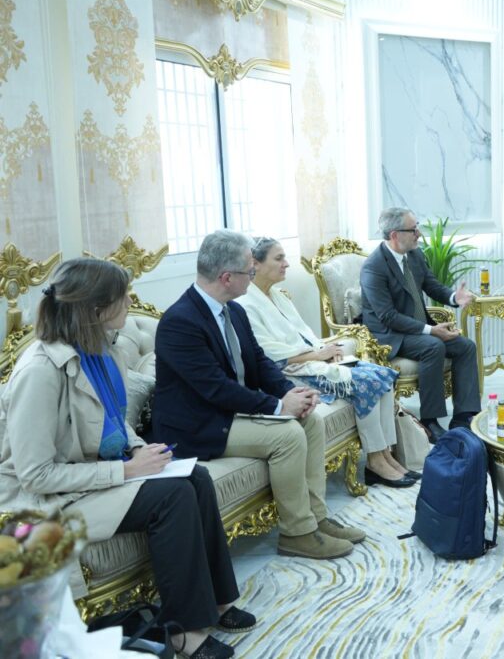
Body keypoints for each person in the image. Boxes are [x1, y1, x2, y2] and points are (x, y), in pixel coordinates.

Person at [0, 258, 253, 659]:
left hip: (89, 476)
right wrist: (125, 470)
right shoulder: (40, 372)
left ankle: (219, 602)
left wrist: (136, 448)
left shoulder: (104, 350)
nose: (131, 301)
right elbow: (35, 475)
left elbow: (114, 423)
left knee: (196, 478)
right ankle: (184, 630)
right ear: (97, 308)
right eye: (124, 296)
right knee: (173, 496)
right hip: (46, 500)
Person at [152, 230, 365, 560]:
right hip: (199, 424)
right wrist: (279, 406)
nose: (253, 276)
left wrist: (291, 392)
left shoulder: (234, 311)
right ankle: (297, 534)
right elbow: (215, 388)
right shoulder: (180, 322)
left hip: (231, 410)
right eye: (249, 271)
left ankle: (317, 519)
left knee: (311, 422)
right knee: (288, 436)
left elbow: (260, 361)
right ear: (227, 277)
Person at [236, 237, 416, 488]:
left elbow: (304, 335)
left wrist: (326, 350)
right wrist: (318, 355)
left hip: (311, 359)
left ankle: (386, 455)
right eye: (279, 259)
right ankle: (376, 460)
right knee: (367, 382)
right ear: (255, 263)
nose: (286, 264)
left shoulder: (277, 295)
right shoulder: (244, 304)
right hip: (287, 371)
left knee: (382, 376)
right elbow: (267, 354)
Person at [360, 208, 481, 442]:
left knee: (466, 346)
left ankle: (463, 417)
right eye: (413, 229)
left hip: (416, 328)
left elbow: (432, 286)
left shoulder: (414, 255)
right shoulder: (373, 267)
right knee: (433, 346)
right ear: (395, 235)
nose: (419, 234)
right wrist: (431, 331)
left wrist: (454, 297)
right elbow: (387, 316)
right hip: (389, 334)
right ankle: (430, 421)